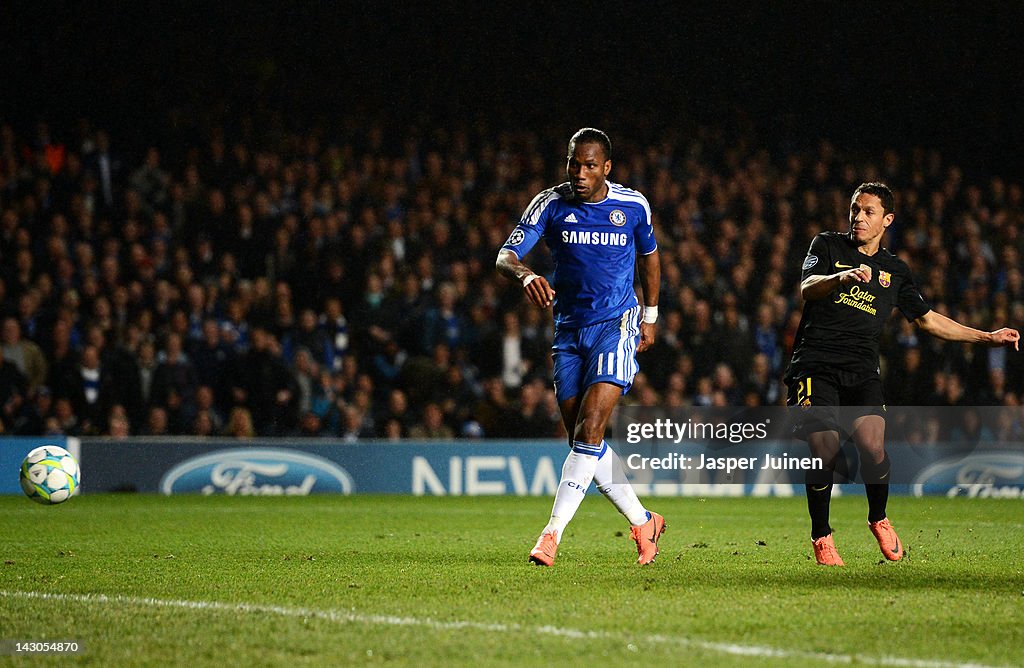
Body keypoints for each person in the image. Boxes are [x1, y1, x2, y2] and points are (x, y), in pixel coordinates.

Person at [785, 182, 1019, 566]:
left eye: (869, 212)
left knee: (874, 446)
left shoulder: (894, 270)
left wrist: (985, 337)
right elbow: (807, 287)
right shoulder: (826, 246)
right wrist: (839, 279)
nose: (859, 217)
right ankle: (822, 537)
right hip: (815, 365)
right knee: (824, 448)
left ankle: (878, 518)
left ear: (887, 220)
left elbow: (927, 320)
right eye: (855, 209)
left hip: (862, 370)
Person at [496, 127, 665, 566]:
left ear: (606, 167)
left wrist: (650, 316)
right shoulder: (550, 204)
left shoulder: (632, 205)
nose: (579, 172)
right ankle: (644, 522)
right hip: (569, 330)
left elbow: (649, 257)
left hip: (617, 322)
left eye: (590, 165)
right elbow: (505, 255)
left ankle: (551, 535)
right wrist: (527, 275)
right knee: (582, 439)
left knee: (590, 430)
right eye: (574, 163)